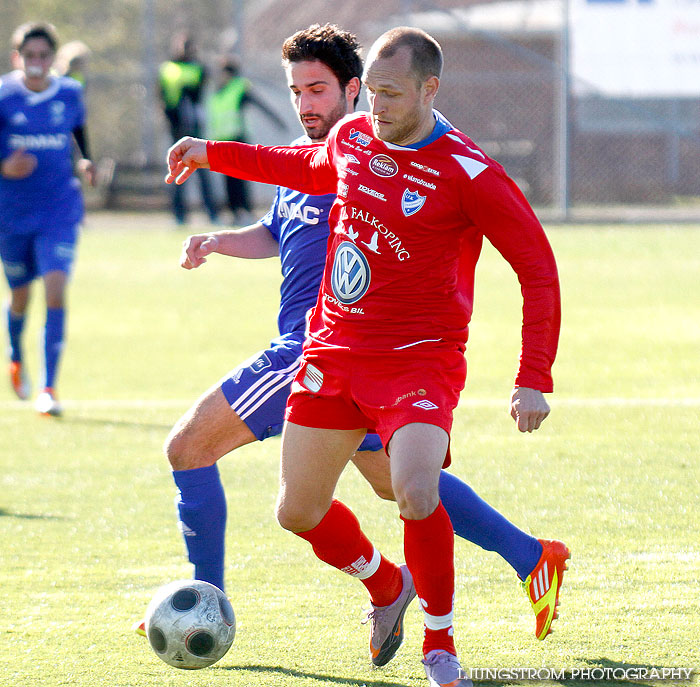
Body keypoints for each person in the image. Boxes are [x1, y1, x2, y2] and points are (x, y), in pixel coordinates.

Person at [166, 25, 567, 687]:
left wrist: (532, 377)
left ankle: (440, 644)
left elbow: (538, 270)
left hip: (416, 360)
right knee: (300, 509)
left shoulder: (469, 172)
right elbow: (295, 169)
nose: (374, 107)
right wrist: (211, 153)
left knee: (412, 489)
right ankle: (475, 567)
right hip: (333, 352)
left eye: (387, 93)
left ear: (427, 89)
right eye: (371, 93)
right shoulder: (351, 140)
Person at [1, 22, 95, 416]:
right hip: (12, 214)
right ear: (16, 57)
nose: (37, 63)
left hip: (59, 209)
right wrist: (4, 166)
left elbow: (77, 133)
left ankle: (49, 387)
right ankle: (16, 352)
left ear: (53, 59)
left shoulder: (70, 92)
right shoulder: (4, 96)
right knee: (21, 295)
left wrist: (85, 160)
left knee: (55, 289)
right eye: (30, 56)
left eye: (44, 56)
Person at [207, 55, 287, 224]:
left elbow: (261, 105)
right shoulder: (218, 90)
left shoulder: (239, 87)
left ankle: (245, 211)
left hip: (237, 138)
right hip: (221, 141)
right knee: (228, 181)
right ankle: (234, 212)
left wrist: (278, 122)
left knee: (240, 178)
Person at [159, 32, 218, 225]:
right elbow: (163, 97)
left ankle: (211, 213)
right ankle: (179, 215)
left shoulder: (198, 68)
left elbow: (198, 94)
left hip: (194, 129)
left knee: (202, 170)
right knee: (176, 171)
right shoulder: (167, 68)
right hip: (176, 128)